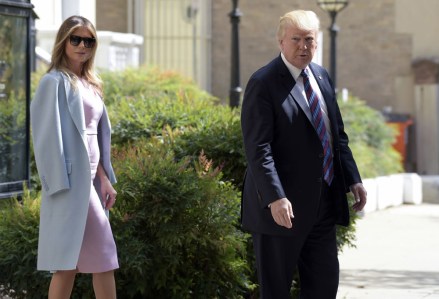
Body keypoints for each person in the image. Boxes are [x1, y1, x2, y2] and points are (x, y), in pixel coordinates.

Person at [240, 10, 367, 299]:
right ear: (280, 41)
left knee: (323, 287)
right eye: (295, 39)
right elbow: (258, 148)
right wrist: (275, 196)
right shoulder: (264, 83)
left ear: (317, 42)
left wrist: (352, 179)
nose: (303, 46)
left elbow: (337, 136)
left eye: (309, 39)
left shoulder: (321, 76)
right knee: (276, 292)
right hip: (280, 210)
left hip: (322, 205)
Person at [31, 16, 118, 299]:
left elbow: (95, 137)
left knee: (71, 265)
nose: (83, 45)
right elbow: (45, 138)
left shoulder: (91, 83)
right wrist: (58, 185)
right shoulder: (54, 82)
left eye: (89, 41)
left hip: (92, 182)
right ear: (63, 41)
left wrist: (104, 178)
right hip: (70, 185)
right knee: (102, 254)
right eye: (76, 39)